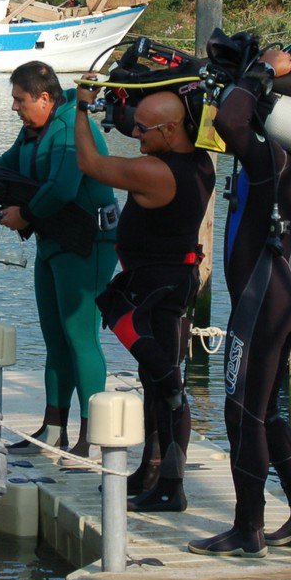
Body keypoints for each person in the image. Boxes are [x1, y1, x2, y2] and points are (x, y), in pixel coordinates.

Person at [188, 46, 291, 557]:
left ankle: (248, 529)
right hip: (282, 296)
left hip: (262, 301)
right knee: (264, 408)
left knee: (241, 410)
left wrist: (262, 69)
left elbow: (228, 118)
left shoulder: (273, 159)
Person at [72, 85, 214, 512]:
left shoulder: (158, 173)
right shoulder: (199, 161)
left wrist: (81, 108)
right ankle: (151, 470)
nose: (136, 134)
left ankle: (172, 486)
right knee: (155, 382)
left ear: (171, 130)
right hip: (161, 282)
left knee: (168, 386)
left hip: (160, 289)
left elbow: (90, 162)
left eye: (144, 129)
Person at [0, 61, 119, 457]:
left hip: (89, 243)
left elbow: (63, 188)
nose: (14, 107)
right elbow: (8, 164)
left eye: (20, 99)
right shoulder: (34, 128)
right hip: (53, 242)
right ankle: (53, 430)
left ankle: (93, 436)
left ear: (45, 99)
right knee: (55, 337)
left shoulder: (69, 128)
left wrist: (24, 214)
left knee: (80, 336)